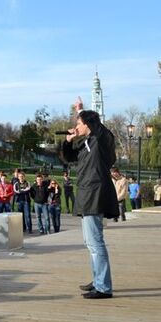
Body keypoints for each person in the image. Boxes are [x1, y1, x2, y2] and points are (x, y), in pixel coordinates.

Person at [61, 101, 119, 299]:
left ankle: (103, 287)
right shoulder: (86, 145)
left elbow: (99, 128)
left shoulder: (100, 140)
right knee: (90, 242)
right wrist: (69, 140)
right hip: (87, 194)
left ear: (88, 123)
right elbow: (68, 157)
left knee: (96, 243)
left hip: (95, 194)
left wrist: (80, 111)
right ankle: (97, 281)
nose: (76, 126)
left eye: (79, 123)